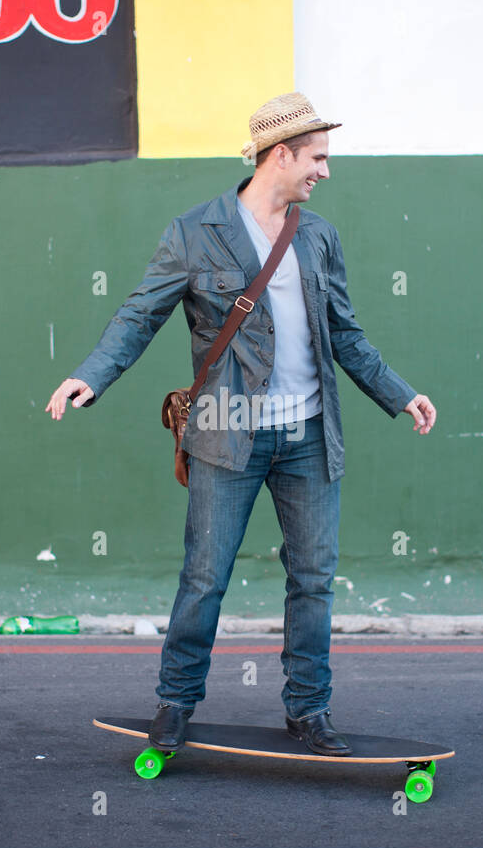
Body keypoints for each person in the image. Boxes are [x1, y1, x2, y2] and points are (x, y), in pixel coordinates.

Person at [45, 92, 436, 755]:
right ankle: (174, 704)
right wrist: (93, 373)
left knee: (313, 576)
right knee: (205, 575)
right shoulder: (194, 232)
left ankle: (309, 711)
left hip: (310, 436)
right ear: (278, 155)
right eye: (317, 158)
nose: (325, 172)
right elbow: (139, 315)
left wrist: (398, 393)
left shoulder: (316, 235)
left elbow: (345, 332)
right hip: (228, 433)